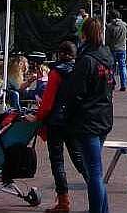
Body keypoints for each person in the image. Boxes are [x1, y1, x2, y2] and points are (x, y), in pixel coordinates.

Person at [59, 18, 114, 213]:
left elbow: (76, 93)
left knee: (94, 173)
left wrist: (67, 115)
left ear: (84, 34)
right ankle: (103, 210)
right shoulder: (107, 55)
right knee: (95, 170)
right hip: (104, 117)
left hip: (88, 121)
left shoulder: (86, 60)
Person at [36, 42, 87, 213]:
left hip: (56, 122)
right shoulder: (80, 71)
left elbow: (48, 102)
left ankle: (63, 202)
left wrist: (39, 116)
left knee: (57, 162)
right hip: (73, 121)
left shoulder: (56, 72)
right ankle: (96, 192)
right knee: (79, 159)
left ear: (60, 54)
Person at [105, 9, 127, 92]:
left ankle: (112, 83)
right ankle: (124, 84)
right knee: (123, 66)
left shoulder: (109, 26)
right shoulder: (124, 25)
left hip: (112, 49)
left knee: (111, 67)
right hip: (122, 48)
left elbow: (107, 40)